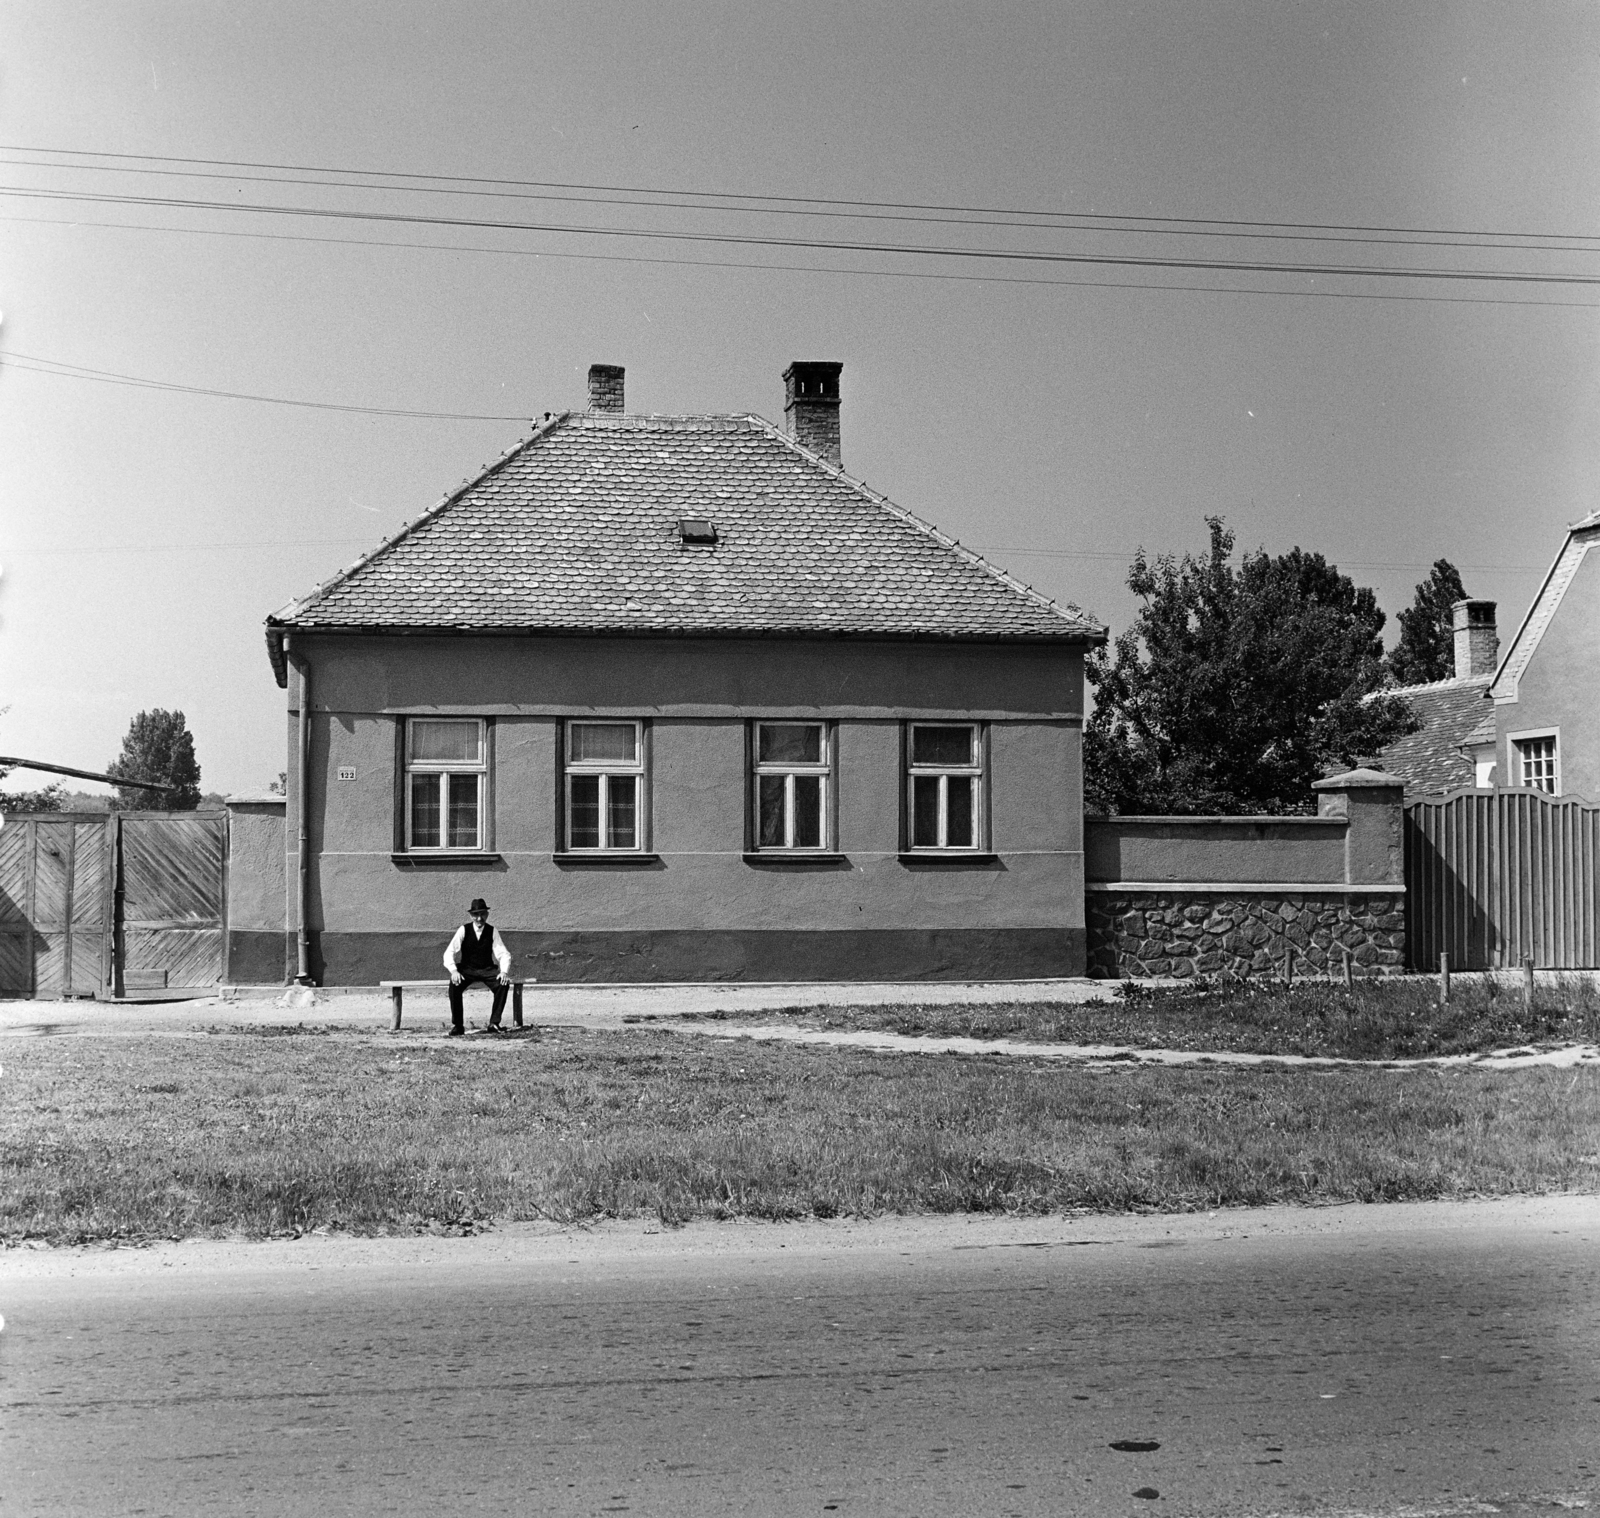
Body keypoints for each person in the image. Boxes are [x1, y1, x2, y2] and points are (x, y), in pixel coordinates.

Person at [443, 897, 512, 1035]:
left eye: (482, 914)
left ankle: (494, 1023)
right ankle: (458, 1025)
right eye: (476, 915)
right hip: (467, 970)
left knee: (503, 984)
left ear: (487, 914)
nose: (479, 918)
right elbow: (449, 952)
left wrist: (504, 971)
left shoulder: (492, 931)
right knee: (454, 984)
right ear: (471, 916)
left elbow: (503, 954)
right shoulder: (463, 930)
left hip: (487, 969)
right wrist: (454, 971)